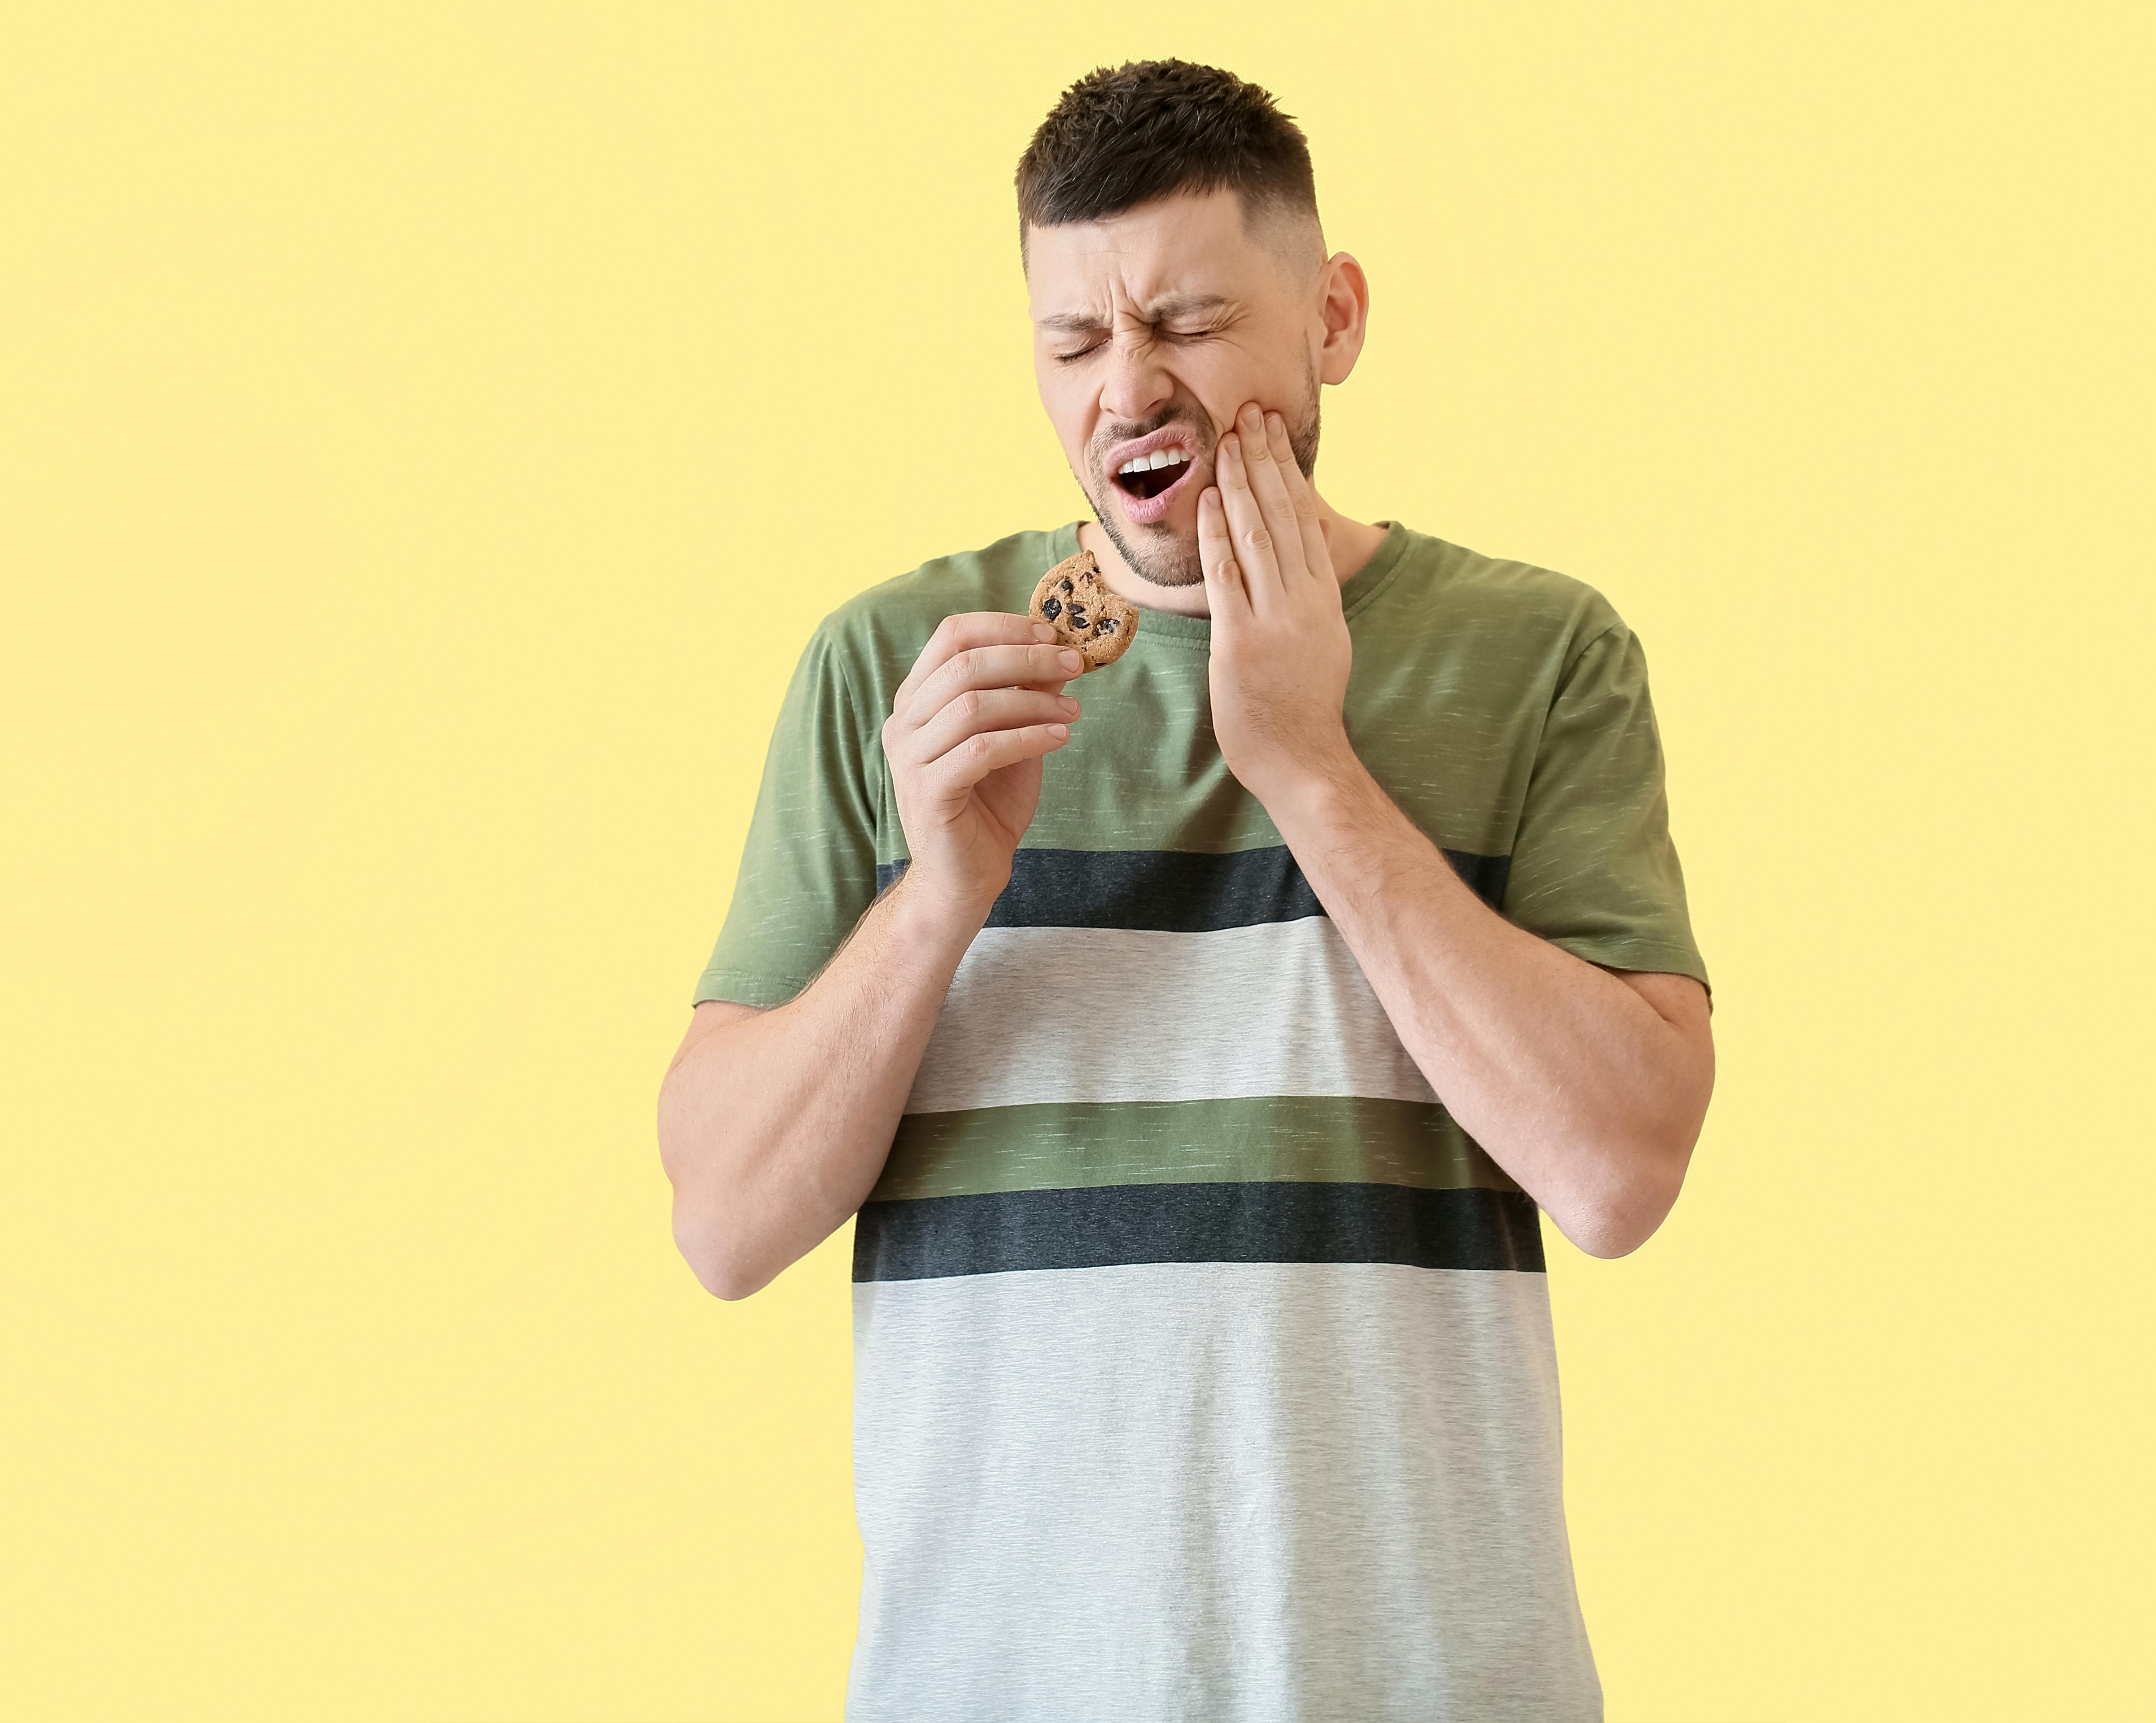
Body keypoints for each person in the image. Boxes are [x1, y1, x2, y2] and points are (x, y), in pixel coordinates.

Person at [655, 57, 1714, 1723]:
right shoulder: (898, 671)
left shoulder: (1541, 656)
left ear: (1335, 318)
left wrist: (1312, 768)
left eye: (1189, 325)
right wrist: (937, 899)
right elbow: (718, 1223)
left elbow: (1621, 1172)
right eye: (1075, 344)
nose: (1127, 393)